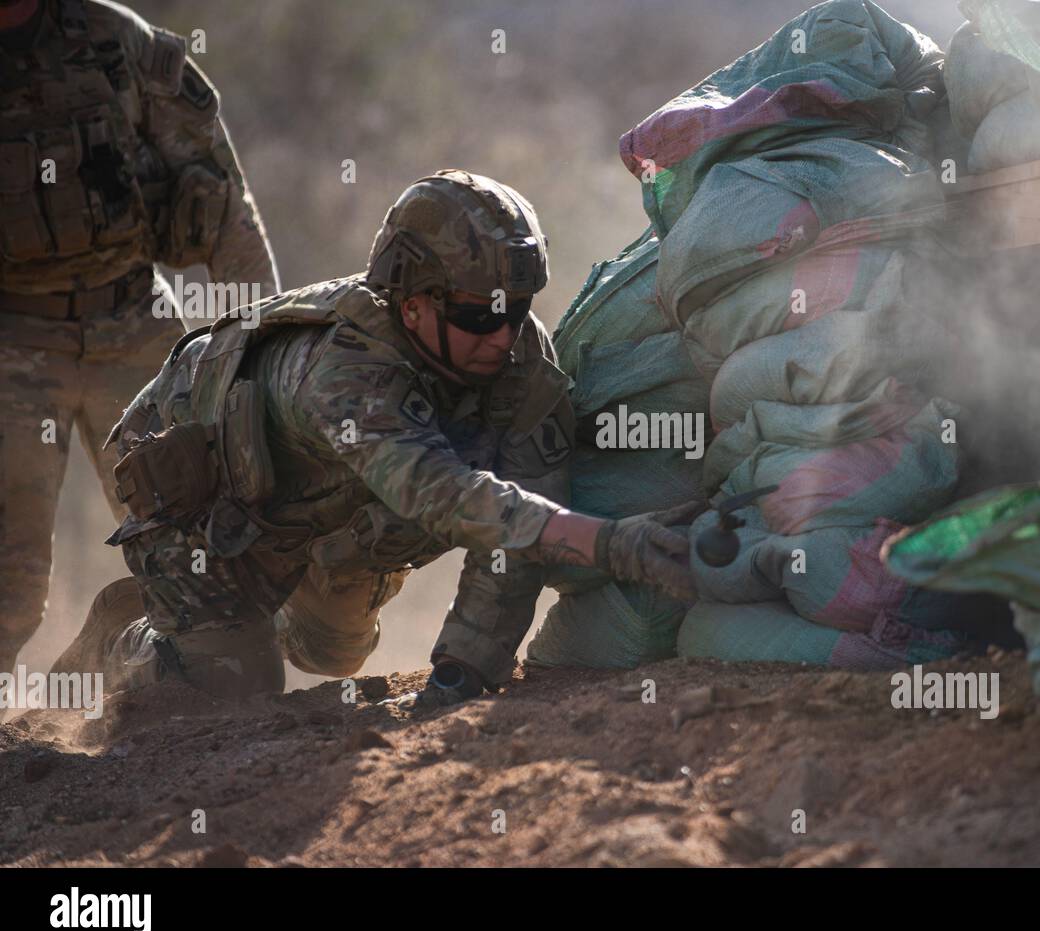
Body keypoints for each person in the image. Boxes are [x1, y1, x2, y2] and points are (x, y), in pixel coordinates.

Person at [52, 170, 695, 710]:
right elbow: (436, 491)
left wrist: (465, 668)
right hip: (199, 510)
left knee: (333, 653)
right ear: (411, 304)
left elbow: (516, 533)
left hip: (327, 506)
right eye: (478, 314)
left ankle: (245, 620)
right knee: (232, 686)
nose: (503, 333)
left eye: (517, 306)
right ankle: (127, 638)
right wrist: (609, 542)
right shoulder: (343, 370)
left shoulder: (520, 366)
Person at [0, 0, 279, 674]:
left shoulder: (112, 42)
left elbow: (222, 205)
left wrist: (260, 363)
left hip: (131, 322)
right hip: (11, 339)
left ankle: (185, 691)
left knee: (198, 540)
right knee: (10, 587)